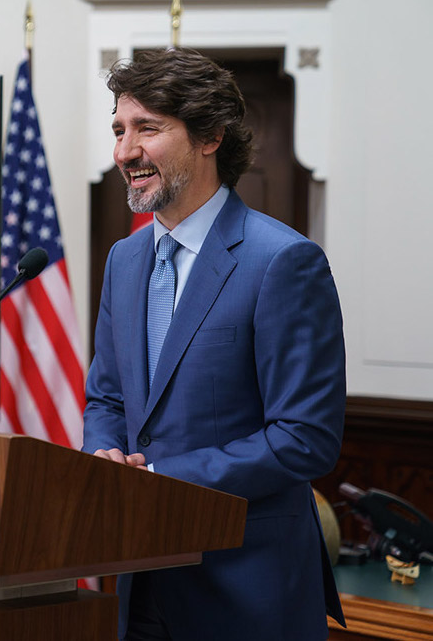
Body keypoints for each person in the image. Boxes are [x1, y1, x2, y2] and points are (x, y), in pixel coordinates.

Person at [82, 48, 346, 640]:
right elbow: (108, 400)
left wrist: (158, 475)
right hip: (142, 580)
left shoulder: (283, 261)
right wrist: (105, 459)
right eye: (120, 130)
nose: (125, 151)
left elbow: (305, 439)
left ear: (210, 136)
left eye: (148, 128)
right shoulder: (125, 260)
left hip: (247, 590)